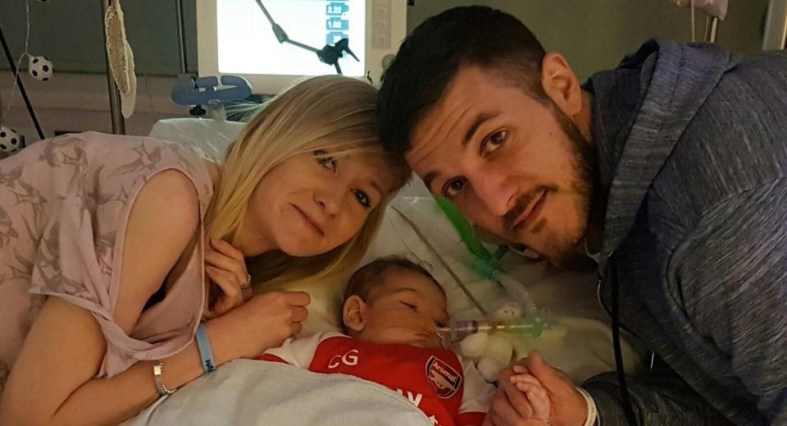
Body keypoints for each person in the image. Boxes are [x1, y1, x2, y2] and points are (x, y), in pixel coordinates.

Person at [377, 5, 786, 426]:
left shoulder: (718, 215)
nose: (496, 205)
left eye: (495, 139)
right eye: (456, 185)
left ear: (561, 86)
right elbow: (722, 389)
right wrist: (585, 411)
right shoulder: (623, 171)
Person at [0, 75, 411, 425]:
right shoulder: (170, 198)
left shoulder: (224, 268)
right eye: (325, 159)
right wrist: (213, 345)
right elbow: (29, 418)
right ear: (276, 132)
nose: (333, 202)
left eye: (362, 196)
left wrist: (204, 324)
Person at [260, 256, 551, 426]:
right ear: (357, 314)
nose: (430, 326)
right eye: (410, 306)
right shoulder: (327, 346)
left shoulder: (456, 369)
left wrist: (525, 406)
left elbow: (487, 418)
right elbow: (263, 379)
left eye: (441, 323)